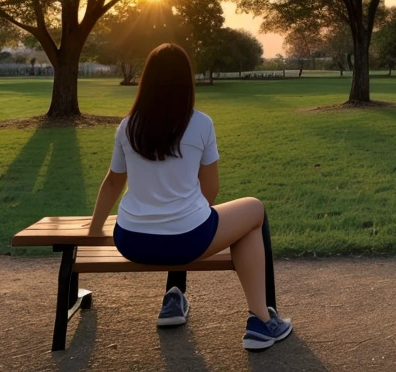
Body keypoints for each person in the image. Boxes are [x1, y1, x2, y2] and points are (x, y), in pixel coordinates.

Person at [88, 42, 293, 351]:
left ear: (147, 80)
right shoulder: (200, 123)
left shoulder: (127, 127)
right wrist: (188, 213)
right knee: (254, 211)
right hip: (186, 240)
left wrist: (94, 229)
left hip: (131, 240)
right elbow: (211, 190)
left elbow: (113, 183)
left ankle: (174, 299)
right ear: (187, 81)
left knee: (183, 216)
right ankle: (261, 321)